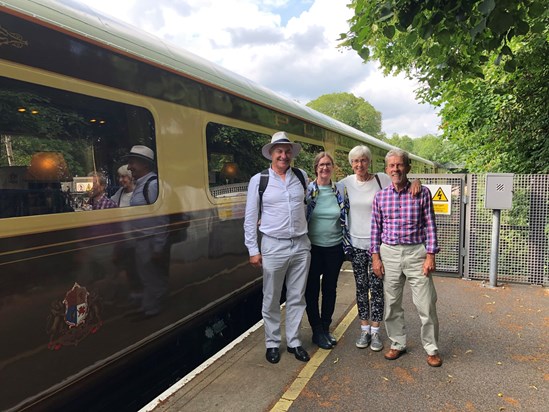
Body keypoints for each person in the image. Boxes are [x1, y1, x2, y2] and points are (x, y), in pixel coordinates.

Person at [370, 149, 442, 367]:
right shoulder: (380, 197)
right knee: (392, 304)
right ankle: (397, 343)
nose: (395, 169)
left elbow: (430, 225)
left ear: (408, 168)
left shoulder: (423, 193)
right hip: (389, 253)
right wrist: (375, 258)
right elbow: (375, 229)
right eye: (391, 166)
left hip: (416, 253)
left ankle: (431, 348)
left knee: (426, 304)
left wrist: (430, 255)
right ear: (386, 169)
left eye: (399, 165)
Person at [243, 131, 311, 364]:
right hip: (273, 245)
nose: (284, 155)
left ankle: (294, 341)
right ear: (271, 154)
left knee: (296, 296)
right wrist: (253, 249)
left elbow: (309, 205)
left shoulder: (302, 176)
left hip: (301, 244)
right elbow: (251, 217)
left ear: (291, 153)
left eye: (287, 150)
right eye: (279, 151)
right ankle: (272, 343)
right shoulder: (259, 180)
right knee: (271, 297)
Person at [305, 152, 350, 350]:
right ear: (316, 168)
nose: (325, 168)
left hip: (335, 248)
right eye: (321, 164)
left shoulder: (340, 189)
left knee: (330, 289)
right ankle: (316, 330)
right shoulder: (307, 191)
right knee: (312, 290)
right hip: (312, 248)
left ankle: (325, 327)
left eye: (328, 164)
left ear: (333, 167)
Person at [125, 145, 169, 318]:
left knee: (152, 277)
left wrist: (158, 247)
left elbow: (161, 218)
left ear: (144, 164)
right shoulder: (142, 184)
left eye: (132, 162)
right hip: (142, 240)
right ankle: (147, 307)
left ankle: (153, 310)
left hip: (149, 240)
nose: (129, 167)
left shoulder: (152, 185)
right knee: (146, 276)